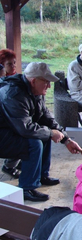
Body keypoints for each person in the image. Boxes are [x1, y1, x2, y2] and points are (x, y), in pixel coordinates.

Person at [0, 62, 82, 202]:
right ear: (33, 81)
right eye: (46, 82)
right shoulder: (13, 94)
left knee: (44, 134)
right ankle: (27, 187)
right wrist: (51, 133)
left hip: (12, 129)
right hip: (3, 135)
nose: (49, 86)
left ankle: (41, 175)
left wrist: (66, 139)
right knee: (34, 143)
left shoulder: (34, 90)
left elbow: (46, 117)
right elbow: (25, 128)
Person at [0, 49, 21, 178]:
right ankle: (9, 165)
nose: (13, 66)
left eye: (14, 63)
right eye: (9, 64)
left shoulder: (15, 79)